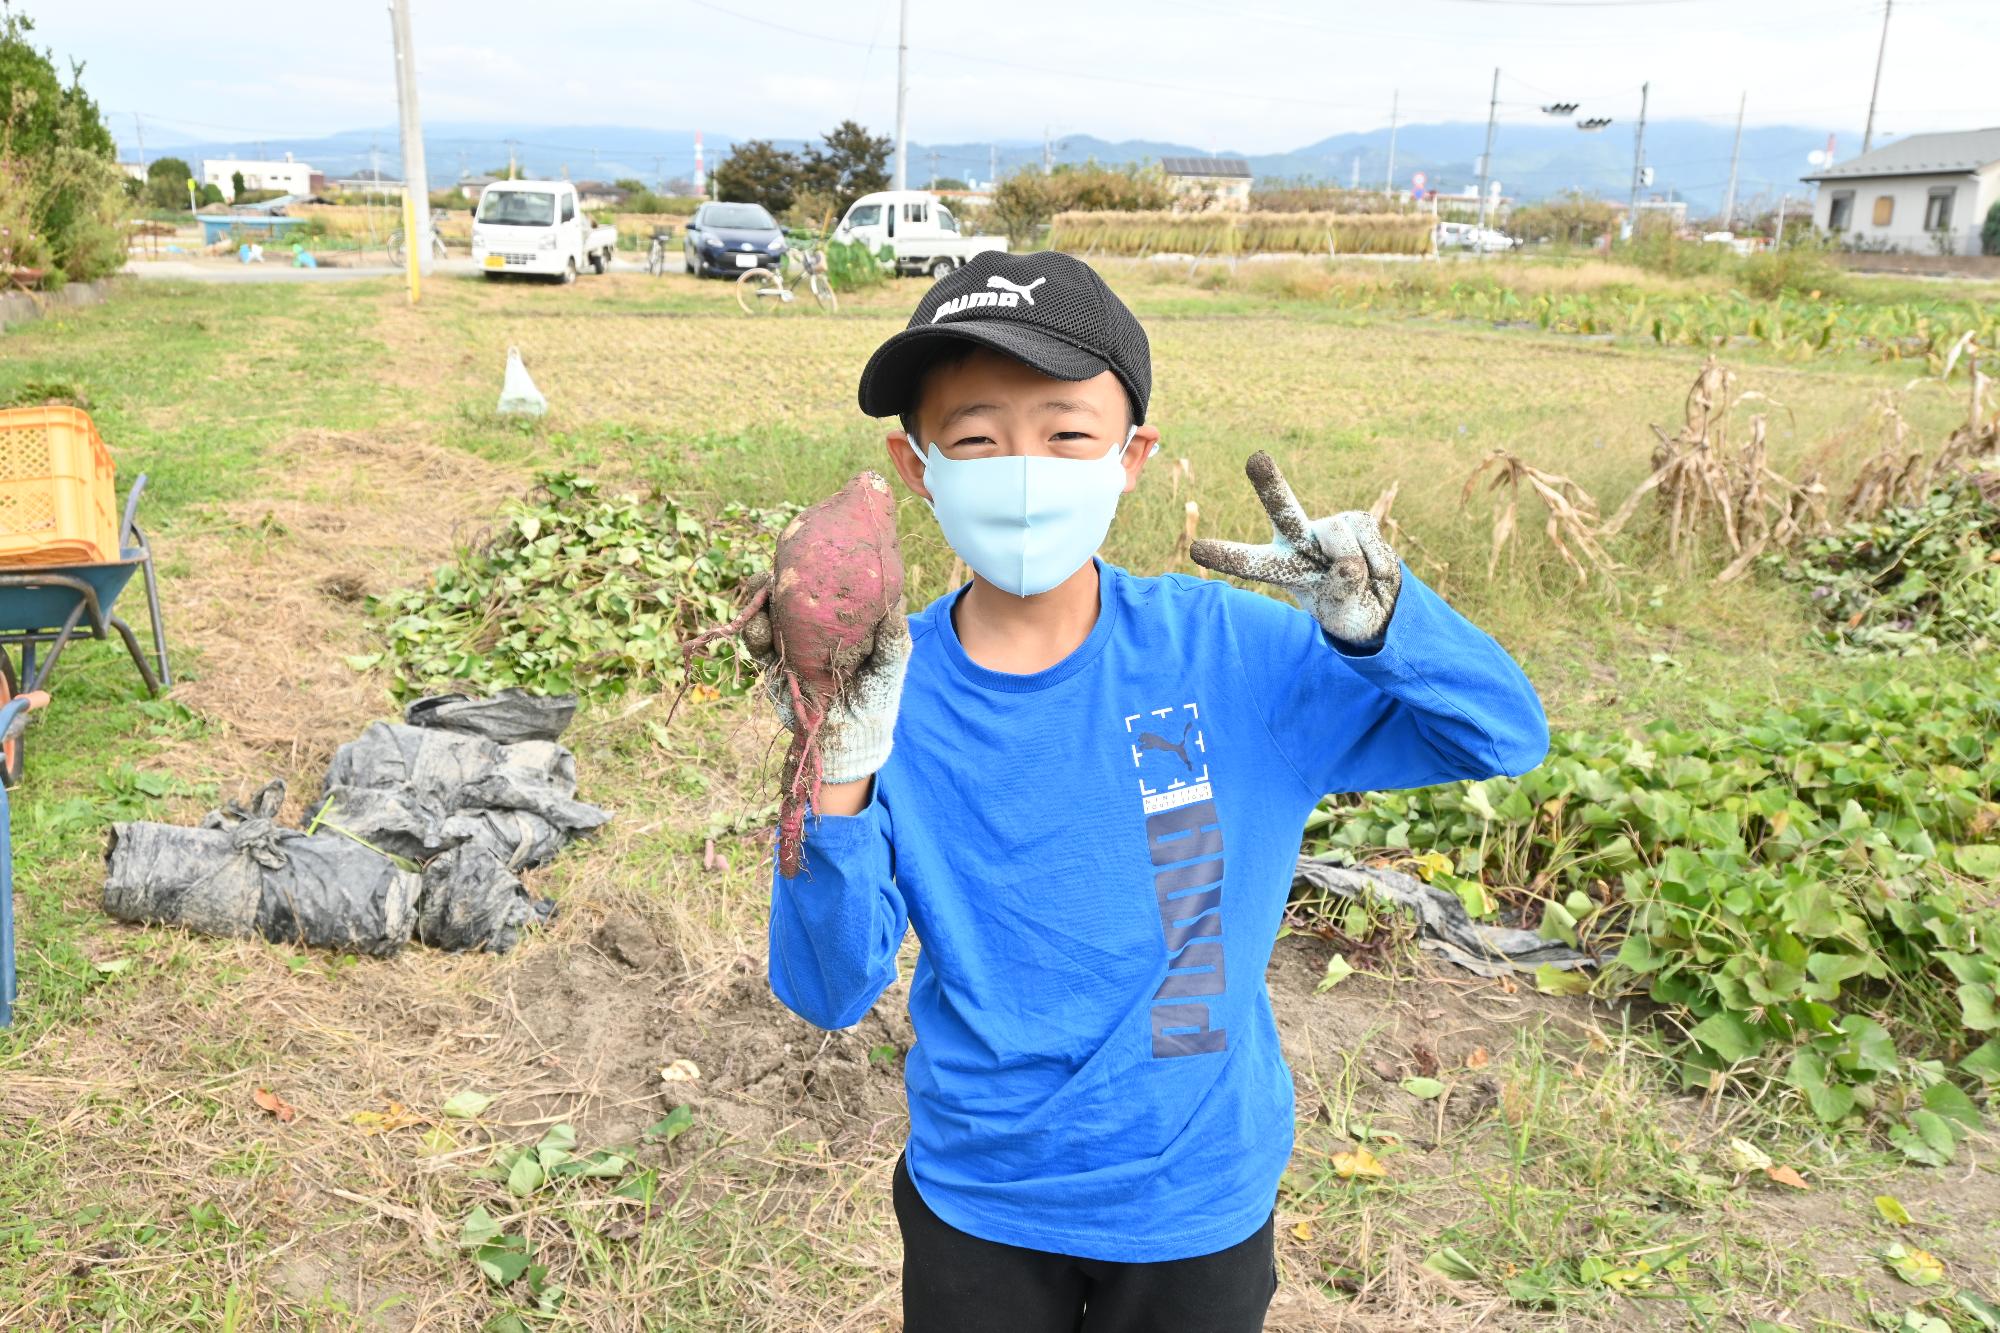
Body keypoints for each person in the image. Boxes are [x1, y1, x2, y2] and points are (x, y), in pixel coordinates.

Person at [753, 250, 1548, 1332]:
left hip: (1193, 1189)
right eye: (977, 437)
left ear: (1131, 456)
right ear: (915, 462)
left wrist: (1383, 624)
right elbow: (827, 989)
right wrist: (834, 766)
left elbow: (1497, 731)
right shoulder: (887, 696)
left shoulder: (1231, 653)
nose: (1023, 466)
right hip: (981, 1193)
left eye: (1065, 432)